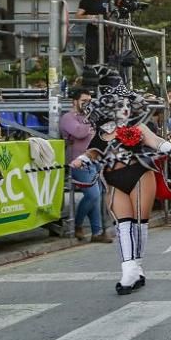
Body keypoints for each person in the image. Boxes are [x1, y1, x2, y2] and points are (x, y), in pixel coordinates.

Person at [72, 66, 171, 295]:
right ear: (110, 106)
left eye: (128, 104)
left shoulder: (137, 127)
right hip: (114, 178)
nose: (125, 108)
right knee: (123, 225)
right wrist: (81, 159)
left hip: (139, 174)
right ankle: (128, 269)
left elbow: (155, 140)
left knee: (139, 223)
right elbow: (93, 151)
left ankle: (136, 266)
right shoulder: (102, 131)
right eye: (120, 104)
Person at [61, 88, 105, 242]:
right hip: (78, 162)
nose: (87, 104)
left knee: (97, 196)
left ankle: (97, 232)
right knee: (93, 194)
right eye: (84, 101)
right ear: (74, 101)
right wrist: (89, 120)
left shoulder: (90, 117)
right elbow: (79, 132)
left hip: (94, 160)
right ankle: (77, 224)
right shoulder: (68, 117)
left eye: (89, 101)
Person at [75, 0, 112, 66]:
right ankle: (90, 77)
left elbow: (108, 15)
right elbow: (77, 16)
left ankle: (106, 78)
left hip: (106, 33)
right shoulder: (86, 0)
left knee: (107, 58)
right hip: (92, 33)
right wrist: (89, 16)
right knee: (91, 58)